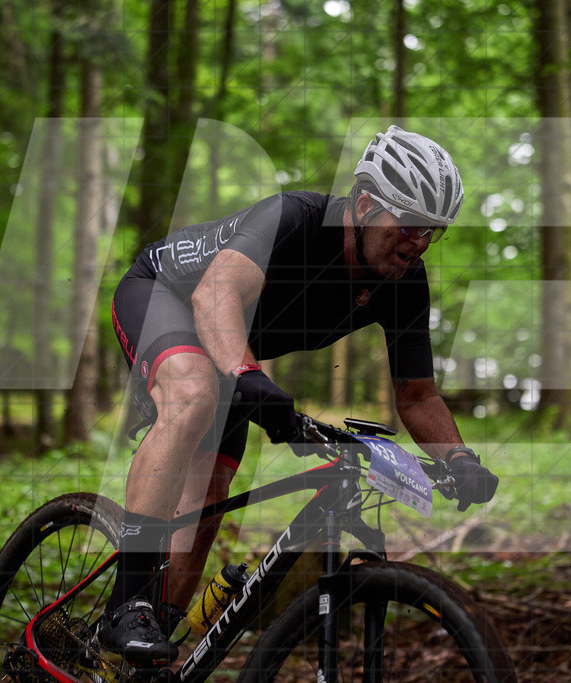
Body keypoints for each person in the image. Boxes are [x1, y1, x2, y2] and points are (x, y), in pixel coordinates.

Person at [97, 125, 499, 665]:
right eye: (409, 225)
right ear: (364, 205)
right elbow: (216, 294)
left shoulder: (405, 281)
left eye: (433, 231)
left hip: (230, 343)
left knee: (208, 496)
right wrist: (247, 373)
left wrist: (460, 459)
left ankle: (147, 648)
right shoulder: (296, 219)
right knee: (193, 394)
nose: (420, 242)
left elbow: (418, 397)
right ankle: (126, 605)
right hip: (165, 292)